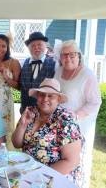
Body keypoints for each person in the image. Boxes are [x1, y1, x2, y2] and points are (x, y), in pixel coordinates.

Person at [12, 78, 83, 187]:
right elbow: (16, 144)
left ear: (58, 99)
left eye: (51, 96)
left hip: (53, 178)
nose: (45, 99)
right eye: (42, 94)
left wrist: (39, 177)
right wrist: (23, 124)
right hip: (27, 173)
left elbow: (71, 161)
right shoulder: (31, 112)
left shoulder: (65, 121)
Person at [54, 40, 102, 188]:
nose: (68, 58)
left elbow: (95, 102)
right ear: (60, 57)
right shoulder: (59, 71)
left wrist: (76, 116)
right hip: (58, 125)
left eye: (72, 54)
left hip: (78, 127)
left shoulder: (87, 75)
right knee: (60, 162)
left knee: (76, 164)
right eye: (64, 55)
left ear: (79, 55)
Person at [20, 32, 55, 112]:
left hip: (45, 113)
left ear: (45, 46)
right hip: (25, 111)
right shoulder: (22, 64)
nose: (36, 48)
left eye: (39, 45)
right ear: (29, 48)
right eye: (33, 46)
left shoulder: (54, 64)